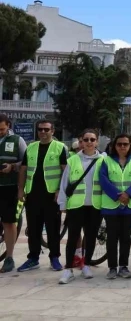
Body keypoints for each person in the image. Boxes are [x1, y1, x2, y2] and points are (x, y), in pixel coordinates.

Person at [16, 120, 66, 272]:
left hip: (51, 195)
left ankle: (54, 257)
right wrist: (20, 189)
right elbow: (23, 170)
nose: (43, 132)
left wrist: (60, 190)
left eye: (46, 129)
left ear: (53, 131)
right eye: (40, 129)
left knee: (53, 228)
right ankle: (33, 258)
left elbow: (65, 171)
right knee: (33, 228)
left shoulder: (60, 147)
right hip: (33, 194)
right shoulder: (31, 147)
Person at [56, 128, 104, 284]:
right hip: (76, 205)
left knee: (90, 238)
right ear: (81, 141)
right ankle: (68, 269)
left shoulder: (104, 160)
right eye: (86, 139)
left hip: (95, 205)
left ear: (97, 142)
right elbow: (65, 183)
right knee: (72, 238)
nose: (89, 142)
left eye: (92, 139)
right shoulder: (73, 160)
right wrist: (62, 203)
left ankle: (86, 264)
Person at [97, 133, 131, 279]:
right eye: (119, 144)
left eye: (125, 144)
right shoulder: (106, 161)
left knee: (126, 237)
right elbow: (103, 179)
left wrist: (128, 194)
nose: (122, 147)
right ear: (114, 146)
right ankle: (112, 267)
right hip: (111, 205)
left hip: (129, 205)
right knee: (111, 237)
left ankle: (124, 266)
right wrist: (118, 195)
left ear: (130, 146)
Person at [0, 113, 28, 273]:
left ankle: (9, 258)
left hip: (9, 186)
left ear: (8, 126)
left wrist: (12, 167)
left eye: (2, 129)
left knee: (9, 222)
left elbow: (25, 163)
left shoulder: (18, 140)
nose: (0, 132)